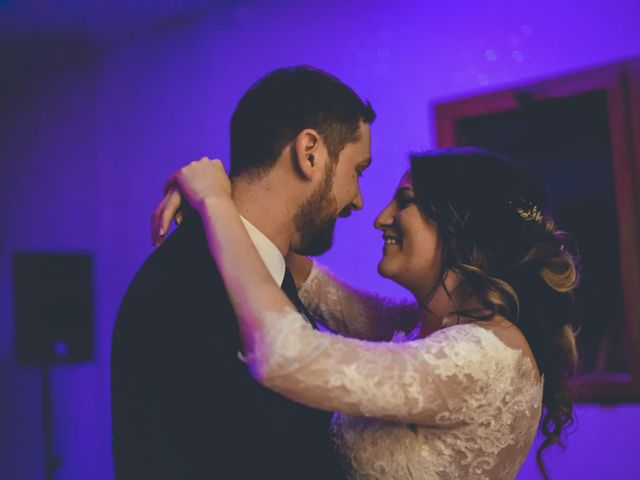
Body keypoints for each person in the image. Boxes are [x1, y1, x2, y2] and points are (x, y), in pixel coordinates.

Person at [153, 147, 579, 479]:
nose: (380, 218)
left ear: (460, 225)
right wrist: (237, 200)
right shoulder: (429, 327)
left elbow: (282, 353)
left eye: (405, 201)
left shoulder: (480, 356)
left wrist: (214, 203)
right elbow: (318, 286)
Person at [111, 65, 376, 479]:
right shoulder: (188, 282)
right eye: (357, 171)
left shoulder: (268, 266)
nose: (359, 200)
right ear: (310, 153)